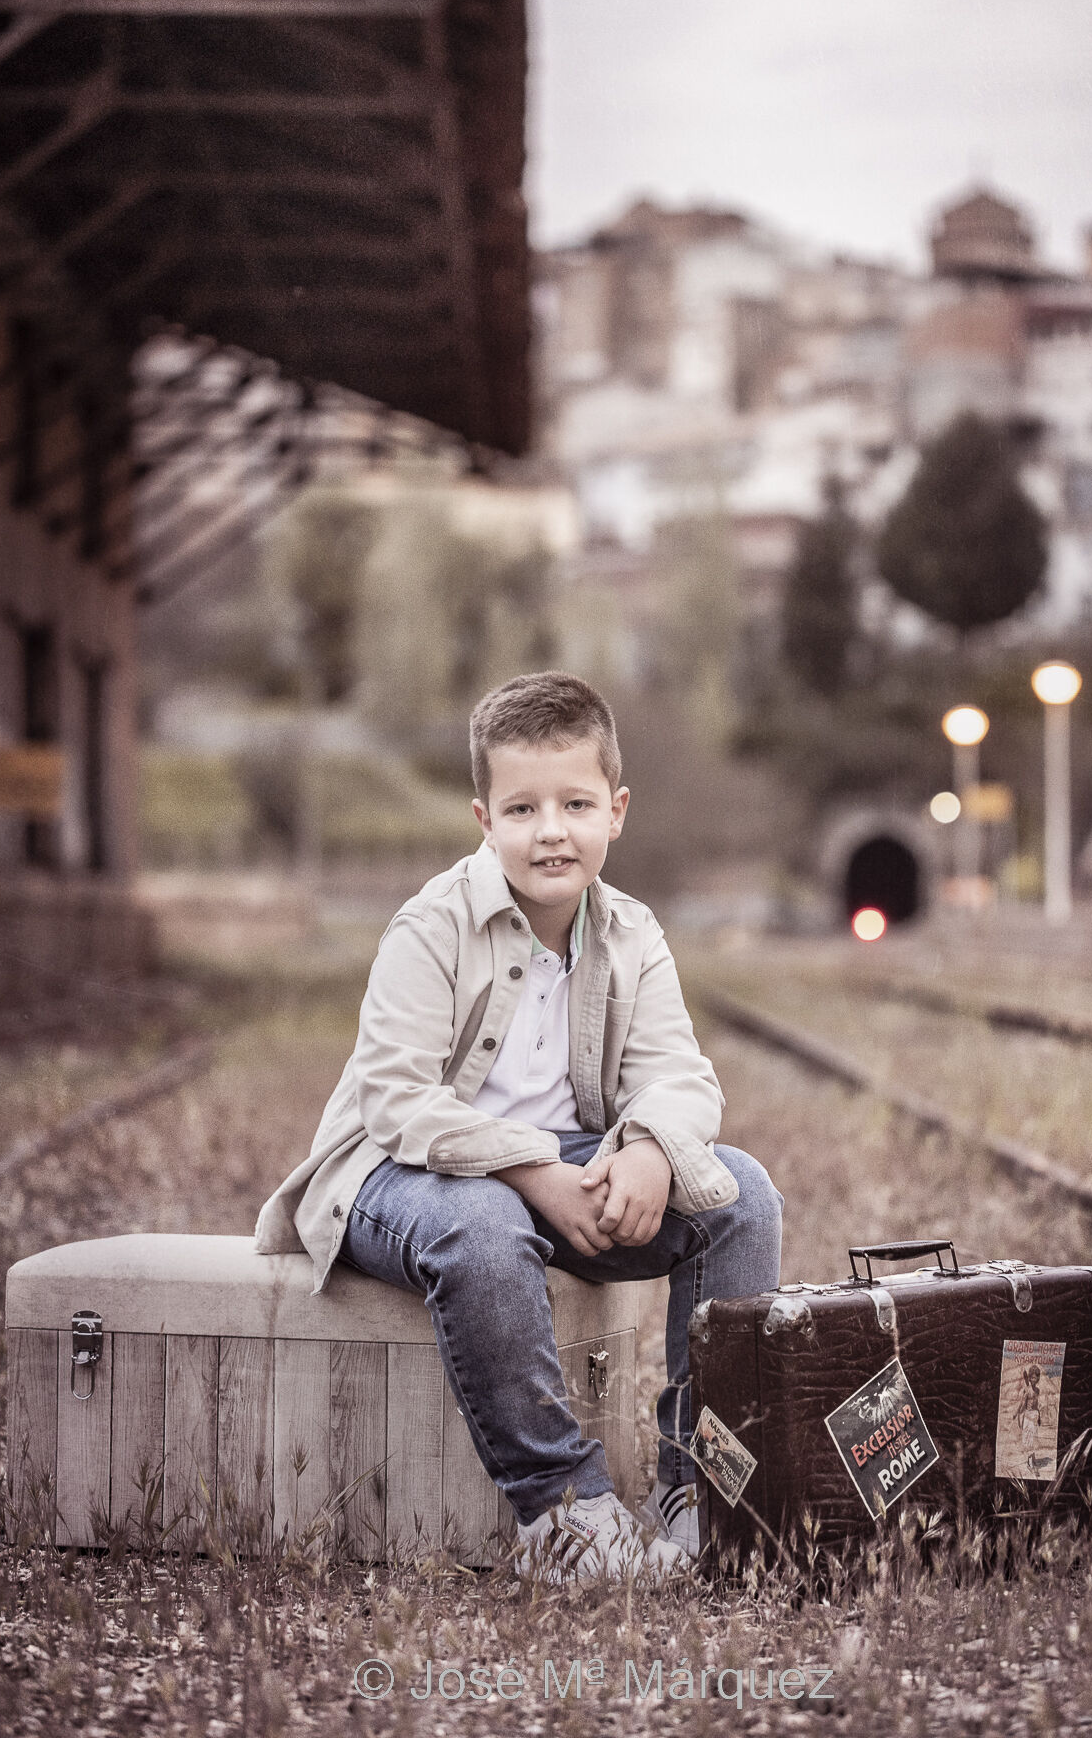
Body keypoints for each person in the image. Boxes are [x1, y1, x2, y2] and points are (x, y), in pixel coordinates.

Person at [254, 670, 783, 1583]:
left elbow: (679, 1074)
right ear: (483, 820)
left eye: (576, 803)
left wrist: (653, 1147)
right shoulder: (431, 927)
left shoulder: (632, 934)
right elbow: (397, 1099)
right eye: (522, 807)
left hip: (564, 1170)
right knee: (487, 1225)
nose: (551, 830)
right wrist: (536, 1173)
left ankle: (701, 1493)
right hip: (396, 1174)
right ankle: (566, 1516)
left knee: (742, 1197)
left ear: (616, 811)